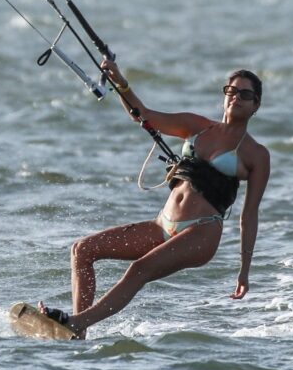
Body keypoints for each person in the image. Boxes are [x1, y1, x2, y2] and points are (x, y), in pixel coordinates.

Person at [38, 59, 270, 339]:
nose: (236, 98)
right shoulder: (198, 126)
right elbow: (143, 115)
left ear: (256, 105)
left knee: (140, 269)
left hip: (202, 232)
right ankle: (78, 334)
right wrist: (120, 83)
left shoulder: (256, 154)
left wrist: (244, 271)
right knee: (82, 250)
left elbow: (249, 215)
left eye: (245, 94)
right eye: (231, 91)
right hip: (163, 225)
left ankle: (75, 322)